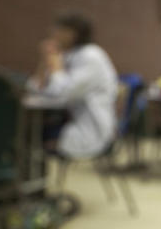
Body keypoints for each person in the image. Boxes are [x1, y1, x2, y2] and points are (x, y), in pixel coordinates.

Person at [27, 12, 119, 159]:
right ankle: (29, 179)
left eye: (58, 30)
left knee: (25, 136)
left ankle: (24, 179)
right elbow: (35, 90)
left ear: (72, 33)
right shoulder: (68, 55)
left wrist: (56, 67)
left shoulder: (91, 56)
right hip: (67, 122)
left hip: (89, 131)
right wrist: (45, 62)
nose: (53, 34)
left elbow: (62, 93)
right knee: (25, 131)